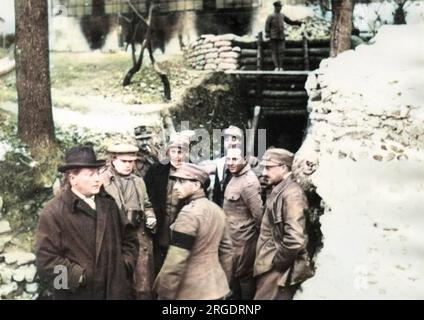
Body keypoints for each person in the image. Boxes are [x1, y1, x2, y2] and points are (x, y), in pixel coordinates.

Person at [35, 146, 139, 300]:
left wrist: (124, 267)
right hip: (79, 294)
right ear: (72, 179)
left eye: (97, 173)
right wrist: (77, 278)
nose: (97, 179)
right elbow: (46, 260)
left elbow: (130, 239)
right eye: (90, 175)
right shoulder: (53, 211)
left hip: (115, 291)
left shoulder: (108, 204)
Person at [153, 163, 233, 300]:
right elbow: (227, 252)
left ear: (197, 185)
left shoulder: (188, 214)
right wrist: (222, 283)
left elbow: (176, 259)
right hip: (216, 289)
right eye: (176, 181)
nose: (176, 186)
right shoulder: (216, 210)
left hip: (190, 291)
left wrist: (164, 292)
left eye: (182, 182)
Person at [254, 148, 315, 300]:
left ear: (283, 168)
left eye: (269, 168)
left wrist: (277, 264)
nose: (264, 172)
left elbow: (295, 238)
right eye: (264, 167)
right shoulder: (280, 189)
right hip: (270, 266)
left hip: (278, 270)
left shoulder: (292, 194)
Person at [100, 143, 157, 299]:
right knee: (118, 283)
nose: (128, 165)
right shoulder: (101, 181)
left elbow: (147, 204)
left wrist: (151, 216)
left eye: (131, 162)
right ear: (113, 160)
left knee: (143, 285)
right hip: (114, 238)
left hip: (138, 236)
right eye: (123, 161)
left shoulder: (138, 181)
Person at [144, 133, 189, 275]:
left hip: (182, 229)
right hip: (160, 227)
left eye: (180, 152)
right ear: (168, 152)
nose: (177, 156)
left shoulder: (193, 174)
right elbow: (145, 196)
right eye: (173, 151)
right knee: (158, 266)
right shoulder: (156, 170)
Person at [223, 148, 263, 300]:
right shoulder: (235, 177)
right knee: (233, 277)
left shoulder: (249, 182)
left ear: (244, 159)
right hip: (232, 238)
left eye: (234, 159)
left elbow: (258, 216)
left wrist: (254, 240)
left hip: (244, 241)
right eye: (228, 159)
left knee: (245, 277)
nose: (230, 163)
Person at [265, 1, 302, 71]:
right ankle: (276, 67)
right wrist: (267, 34)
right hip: (273, 37)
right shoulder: (271, 16)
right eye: (279, 7)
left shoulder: (282, 15)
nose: (280, 8)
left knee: (281, 52)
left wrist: (298, 23)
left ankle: (280, 67)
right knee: (274, 52)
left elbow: (289, 21)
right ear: (275, 7)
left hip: (281, 37)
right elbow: (267, 26)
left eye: (281, 7)